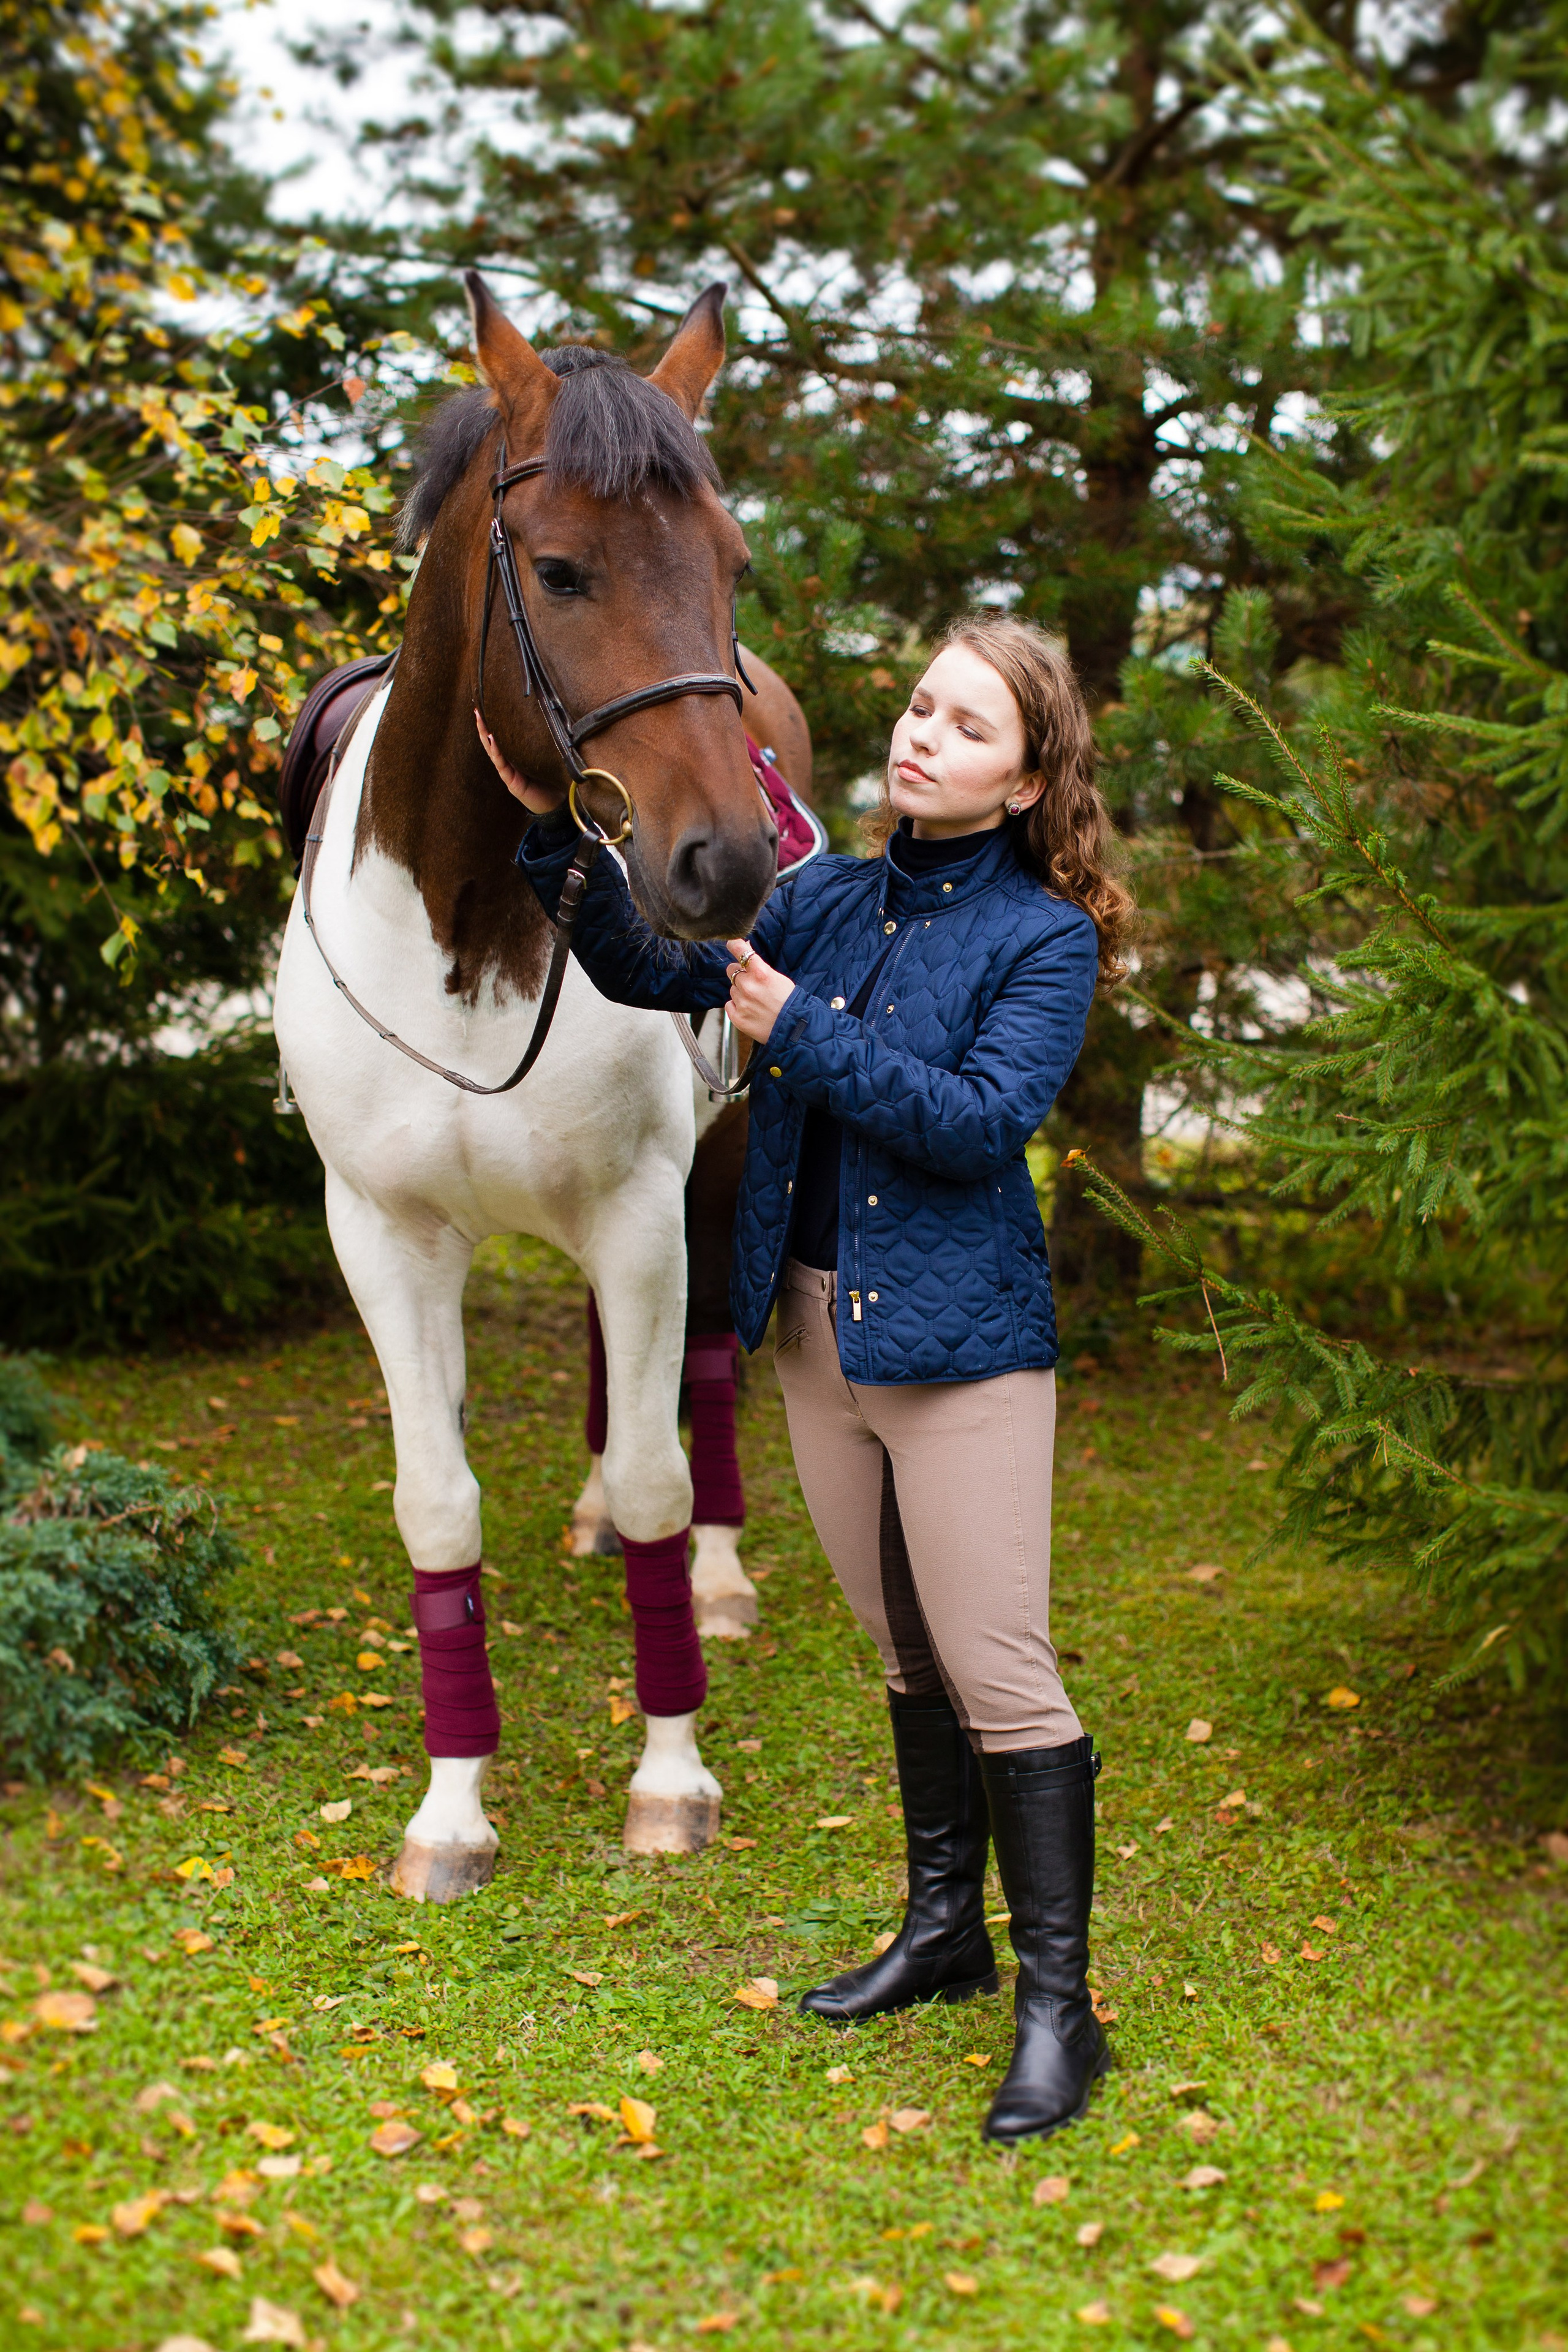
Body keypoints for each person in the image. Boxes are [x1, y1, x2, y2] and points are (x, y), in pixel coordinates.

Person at [484, 612, 1134, 2144]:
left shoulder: (1040, 935)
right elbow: (664, 973)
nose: (922, 736)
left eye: (969, 727)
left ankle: (1060, 2012)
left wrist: (805, 1026)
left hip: (962, 1349)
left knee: (999, 1672)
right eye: (919, 708)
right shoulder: (829, 893)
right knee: (902, 1656)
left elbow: (978, 1123)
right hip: (815, 1334)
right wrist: (556, 854)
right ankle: (941, 1934)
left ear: (1029, 779)